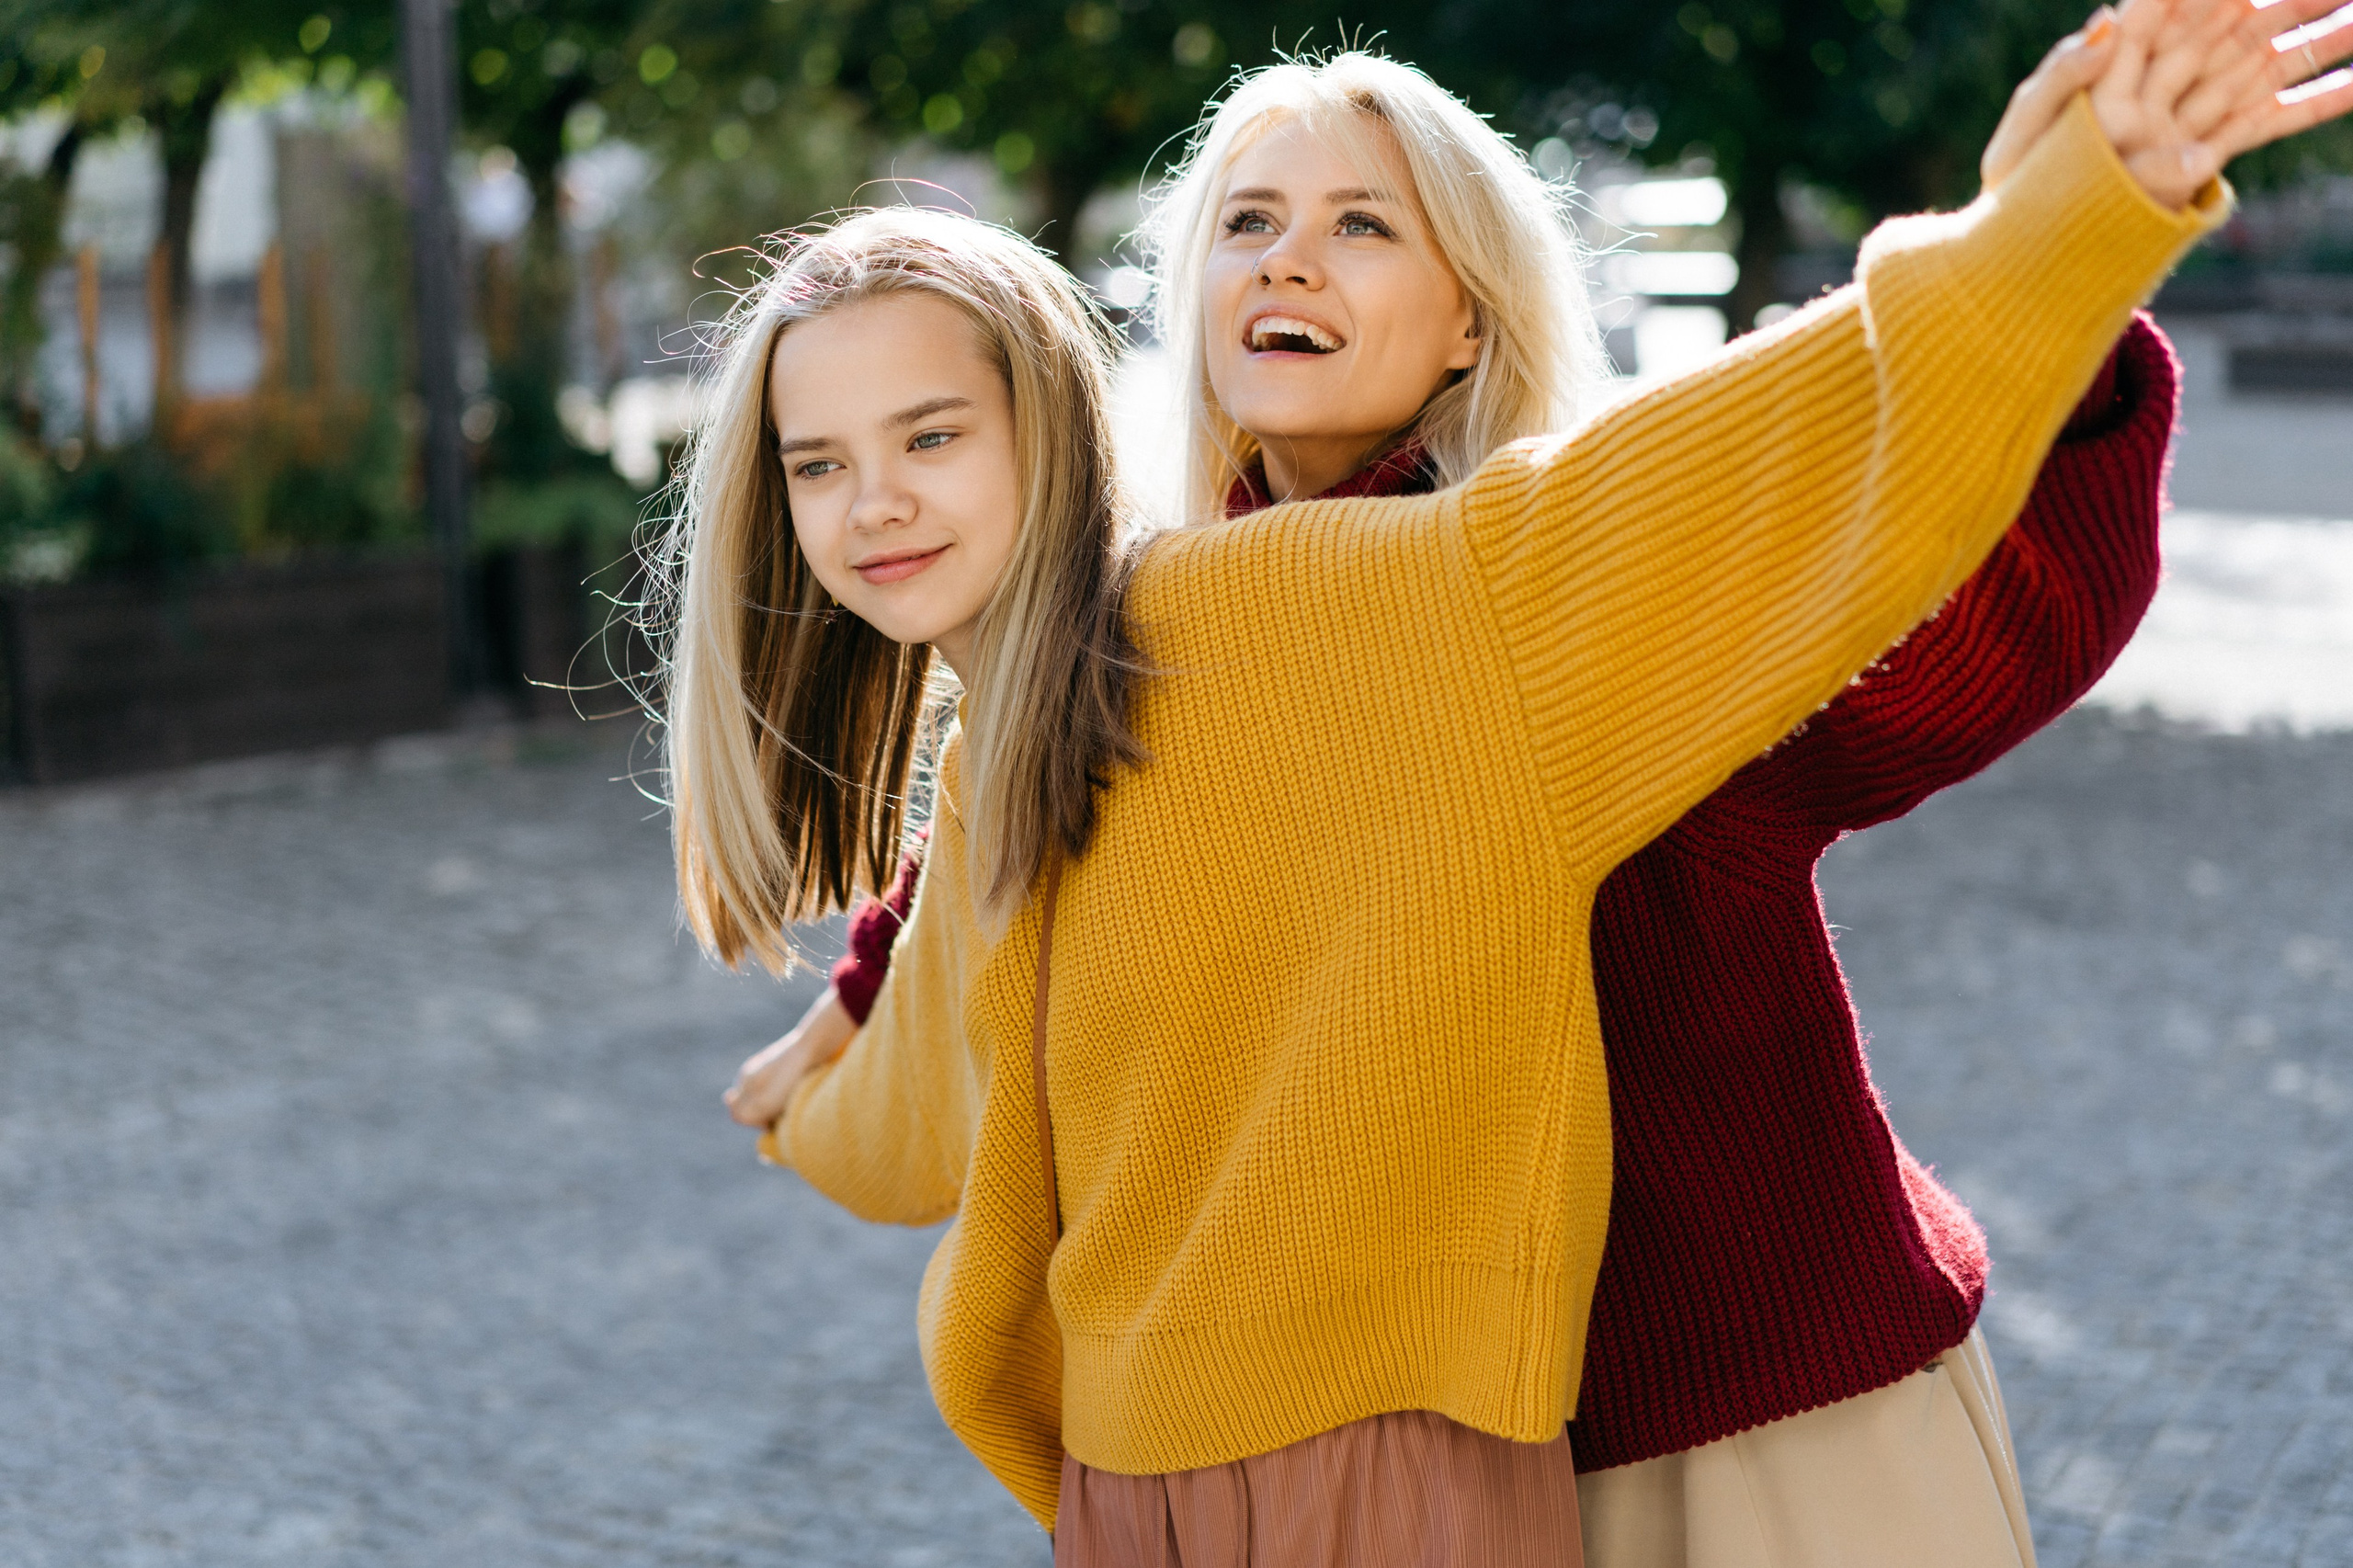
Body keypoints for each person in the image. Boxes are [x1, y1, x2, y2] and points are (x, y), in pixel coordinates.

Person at [667, 3, 2344, 1561]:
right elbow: (1065, 878)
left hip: (1754, 1419)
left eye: (1361, 221)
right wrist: (874, 975)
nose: (1287, 258)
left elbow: (1944, 624)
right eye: (1246, 222)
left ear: (1468, 316)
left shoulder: (1548, 575)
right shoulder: (1153, 636)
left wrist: (2042, 285)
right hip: (1450, 1478)